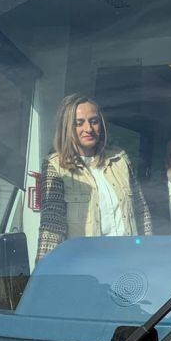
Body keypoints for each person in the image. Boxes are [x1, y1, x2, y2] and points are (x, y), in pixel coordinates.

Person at [36, 94, 152, 259]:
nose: (88, 129)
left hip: (129, 262)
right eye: (79, 123)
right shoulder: (56, 166)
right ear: (67, 127)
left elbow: (142, 213)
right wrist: (44, 276)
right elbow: (52, 226)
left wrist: (150, 257)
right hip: (87, 267)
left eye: (94, 121)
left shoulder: (120, 159)